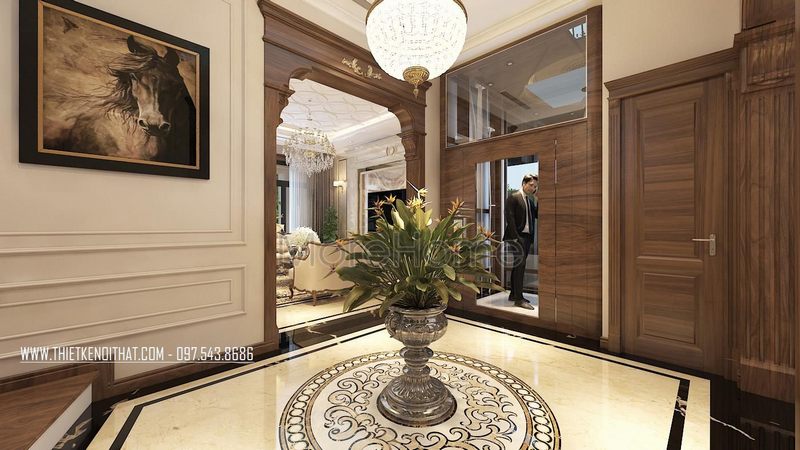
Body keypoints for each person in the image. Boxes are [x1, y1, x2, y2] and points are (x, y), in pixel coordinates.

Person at [502, 173, 538, 310]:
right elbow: (509, 218)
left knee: (518, 266)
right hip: (516, 237)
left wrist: (537, 198)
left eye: (535, 186)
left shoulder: (530, 200)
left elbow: (537, 215)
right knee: (520, 266)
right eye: (531, 185)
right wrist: (516, 238)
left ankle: (513, 294)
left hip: (527, 237)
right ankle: (519, 299)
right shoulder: (514, 197)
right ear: (524, 183)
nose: (533, 188)